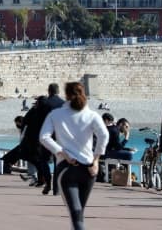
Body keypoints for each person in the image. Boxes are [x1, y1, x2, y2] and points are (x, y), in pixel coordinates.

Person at [40, 82, 109, 230]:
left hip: (67, 168)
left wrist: (61, 152)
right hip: (89, 170)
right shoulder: (92, 115)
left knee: (76, 216)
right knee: (79, 213)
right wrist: (96, 160)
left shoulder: (56, 115)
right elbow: (104, 135)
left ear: (66, 95)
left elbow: (44, 137)